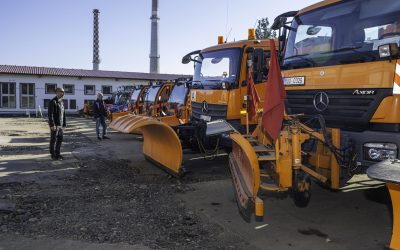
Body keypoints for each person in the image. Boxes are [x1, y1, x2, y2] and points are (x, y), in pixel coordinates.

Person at [48, 87, 66, 160]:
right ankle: (53, 155)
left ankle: (58, 154)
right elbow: (50, 114)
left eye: (63, 92)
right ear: (57, 92)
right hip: (55, 125)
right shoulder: (53, 102)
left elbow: (63, 114)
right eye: (61, 91)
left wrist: (64, 123)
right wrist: (52, 124)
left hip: (60, 125)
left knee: (60, 139)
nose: (63, 93)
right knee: (53, 140)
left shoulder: (61, 102)